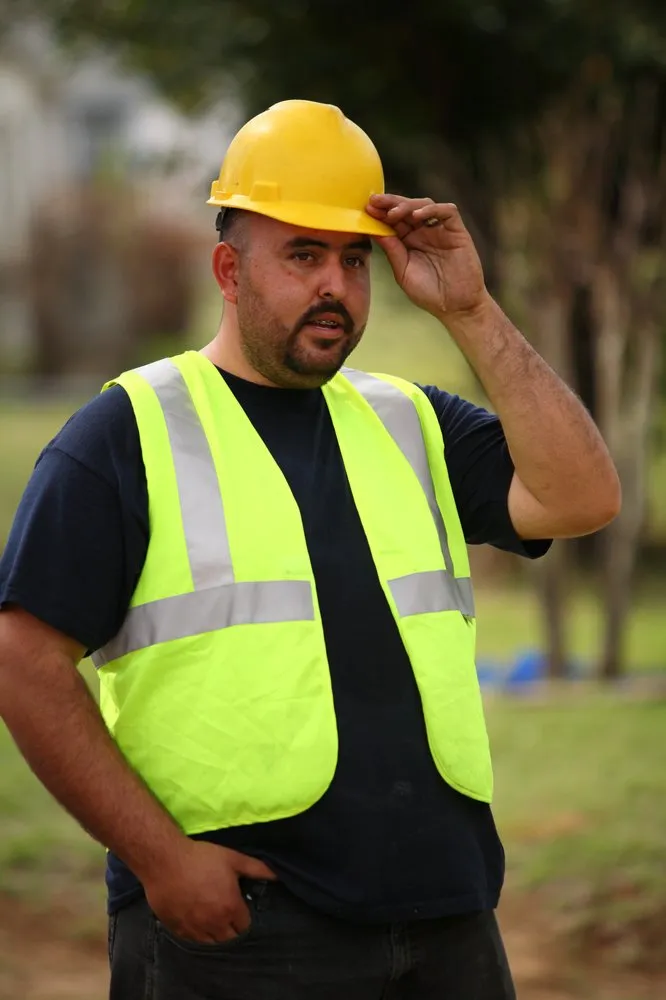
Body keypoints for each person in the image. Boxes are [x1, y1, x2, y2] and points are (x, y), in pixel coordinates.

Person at [0, 100, 620, 1000]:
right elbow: (23, 659)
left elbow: (583, 498)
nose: (336, 285)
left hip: (446, 917)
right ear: (229, 268)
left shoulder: (411, 421)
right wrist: (161, 860)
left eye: (354, 259)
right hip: (243, 934)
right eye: (303, 255)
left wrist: (472, 309)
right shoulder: (126, 435)